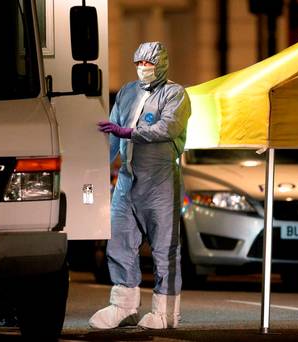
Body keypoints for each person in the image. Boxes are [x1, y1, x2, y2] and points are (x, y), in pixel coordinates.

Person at [89, 41, 191, 330]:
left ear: (161, 64)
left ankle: (166, 312)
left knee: (165, 248)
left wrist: (131, 133)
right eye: (139, 64)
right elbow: (112, 132)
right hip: (127, 181)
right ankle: (123, 305)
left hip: (160, 183)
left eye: (149, 64)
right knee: (120, 242)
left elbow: (168, 127)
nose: (143, 69)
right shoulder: (128, 91)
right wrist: (97, 167)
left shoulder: (175, 94)